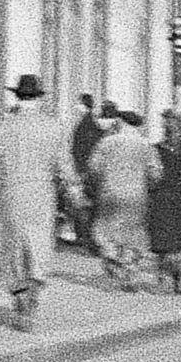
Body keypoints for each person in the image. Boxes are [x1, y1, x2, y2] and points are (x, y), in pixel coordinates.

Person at [0, 74, 83, 331]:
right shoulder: (54, 126)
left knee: (14, 244)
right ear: (39, 99)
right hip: (42, 194)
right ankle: (34, 286)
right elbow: (64, 163)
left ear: (17, 98)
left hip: (12, 194)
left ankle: (19, 292)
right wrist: (73, 188)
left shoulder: (2, 126)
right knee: (39, 244)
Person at [88, 107, 159, 289]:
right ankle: (130, 271)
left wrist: (99, 183)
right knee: (133, 232)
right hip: (136, 195)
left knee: (107, 230)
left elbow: (93, 168)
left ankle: (112, 257)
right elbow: (155, 173)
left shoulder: (107, 142)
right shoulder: (145, 144)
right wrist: (147, 186)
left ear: (121, 122)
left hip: (110, 193)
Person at [146, 114, 181, 295]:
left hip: (177, 200)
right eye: (169, 131)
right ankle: (165, 277)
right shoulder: (158, 149)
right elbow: (151, 175)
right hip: (164, 199)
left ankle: (176, 279)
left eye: (175, 131)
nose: (172, 134)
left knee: (177, 243)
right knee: (165, 242)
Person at [68, 95, 109, 250]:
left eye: (78, 104)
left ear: (84, 106)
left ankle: (84, 238)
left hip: (84, 170)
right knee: (84, 205)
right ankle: (84, 237)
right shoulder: (89, 123)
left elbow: (82, 150)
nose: (76, 107)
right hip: (86, 170)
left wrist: (79, 171)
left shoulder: (86, 124)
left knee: (82, 205)